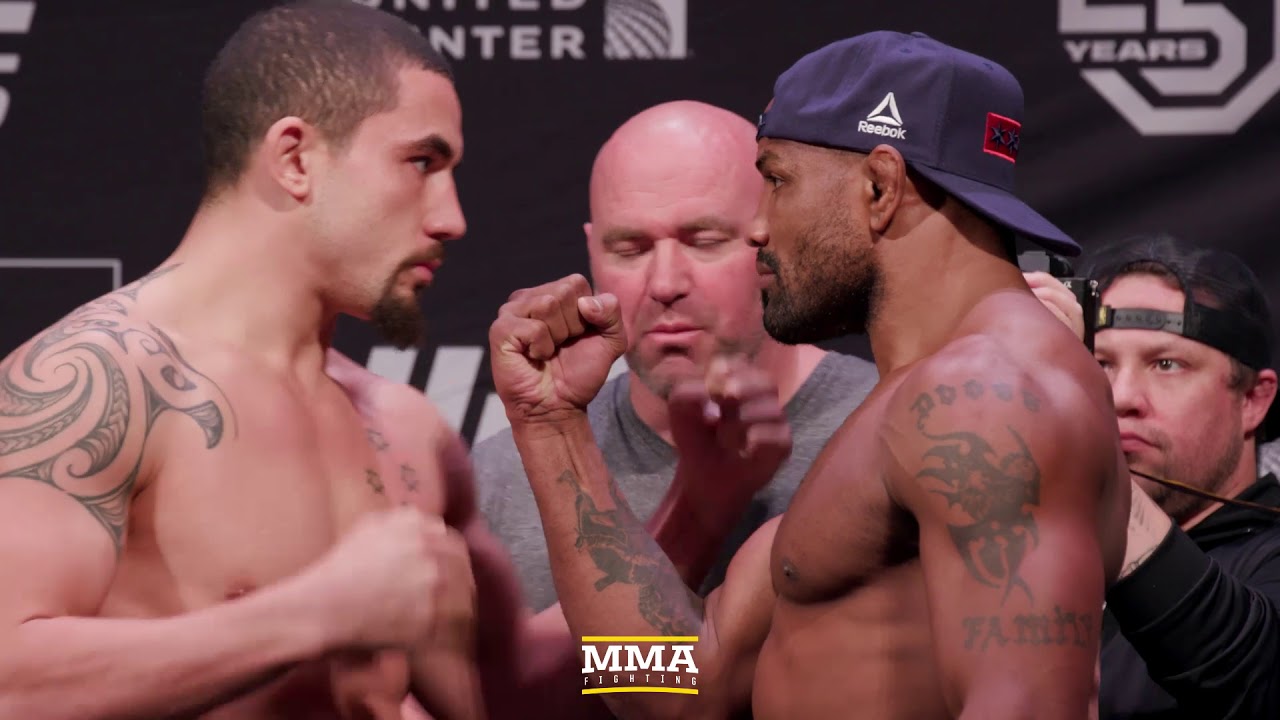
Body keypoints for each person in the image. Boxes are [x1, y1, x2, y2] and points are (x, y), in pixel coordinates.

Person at [487, 30, 1130, 720]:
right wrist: (553, 425)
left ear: (880, 187)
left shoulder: (984, 396)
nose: (758, 227)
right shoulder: (919, 401)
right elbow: (680, 684)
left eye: (775, 179)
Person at [0, 3, 590, 718]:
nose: (451, 218)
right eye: (421, 163)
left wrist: (698, 545)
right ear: (295, 159)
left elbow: (521, 690)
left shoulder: (406, 429)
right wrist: (317, 613)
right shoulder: (99, 381)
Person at [473, 100, 878, 610]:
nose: (664, 284)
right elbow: (597, 689)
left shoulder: (884, 435)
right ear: (592, 252)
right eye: (630, 249)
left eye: (705, 241)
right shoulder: (502, 479)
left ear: (769, 234)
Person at [1032, 234, 1280, 719]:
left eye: (1167, 364)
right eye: (1099, 364)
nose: (1121, 396)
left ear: (1253, 400)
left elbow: (1254, 682)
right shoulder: (1041, 557)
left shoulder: (1267, 558)